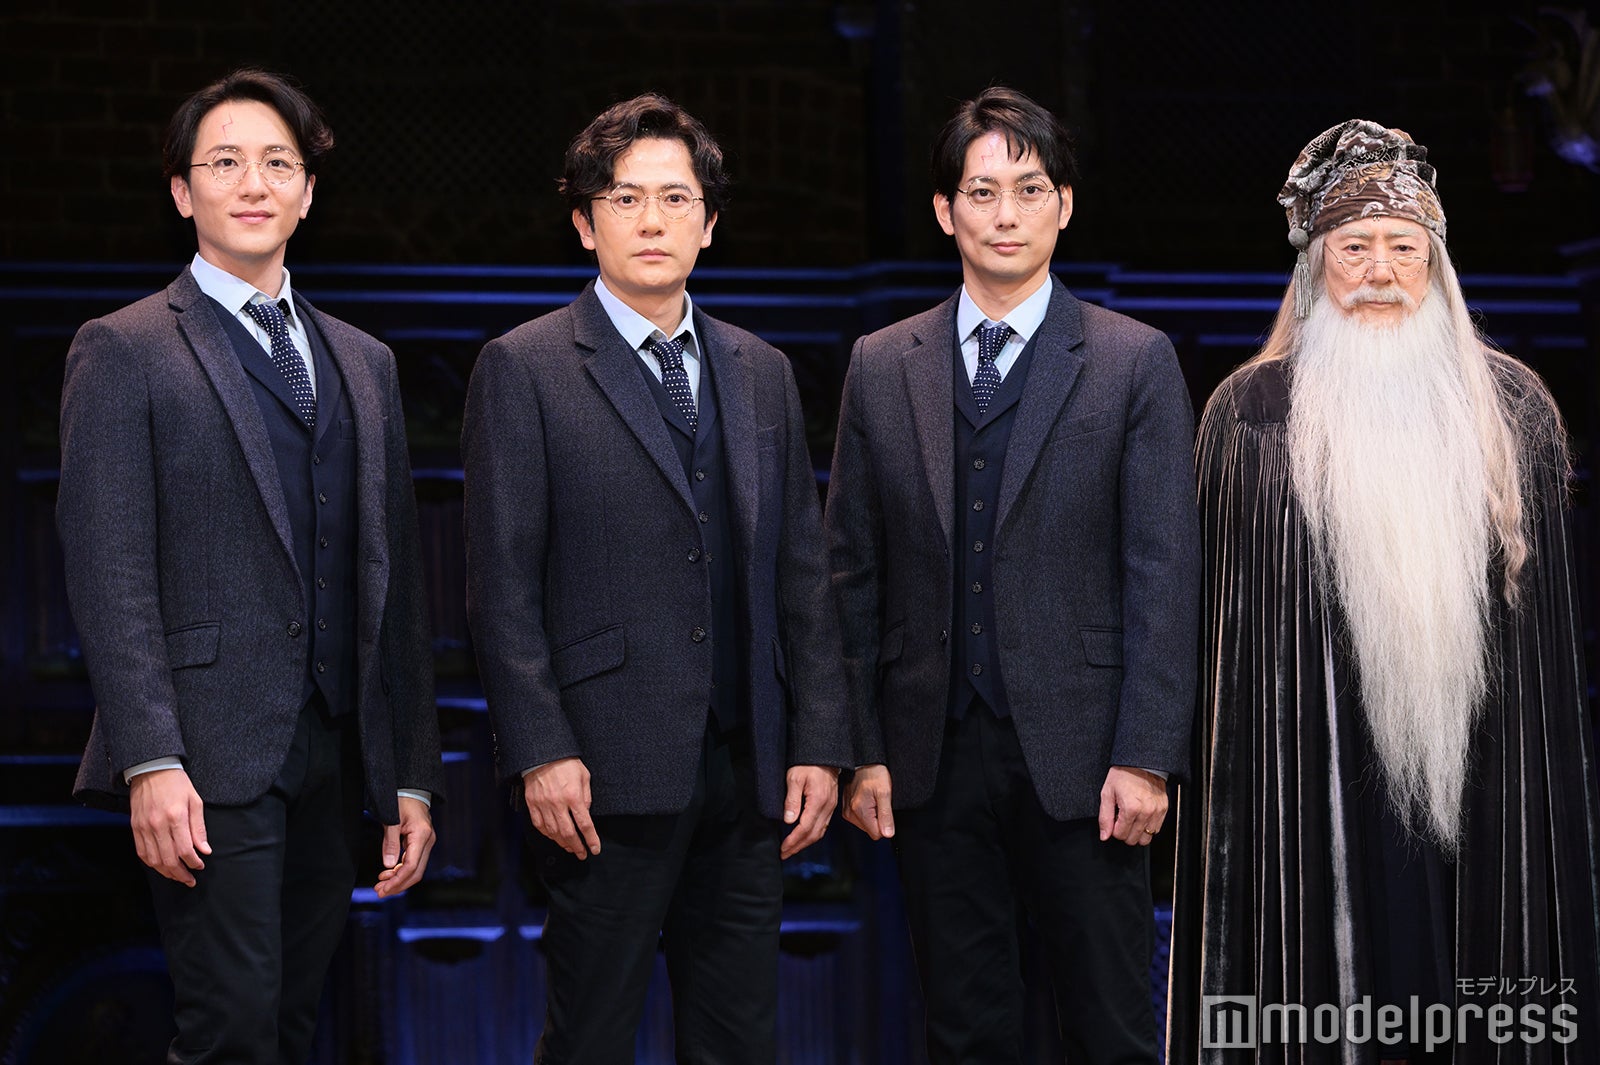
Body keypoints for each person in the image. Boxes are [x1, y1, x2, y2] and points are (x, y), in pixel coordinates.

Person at [1167, 119, 1600, 1064]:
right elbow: (1223, 645)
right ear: (1314, 266)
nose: (1379, 271)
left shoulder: (1515, 410)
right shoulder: (1249, 415)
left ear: (1436, 266)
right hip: (1309, 770)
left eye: (1404, 248)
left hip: (1482, 766)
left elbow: (1546, 655)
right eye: (1353, 247)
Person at [57, 69, 442, 1065]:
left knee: (291, 1026)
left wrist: (410, 774)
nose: (253, 182)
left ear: (308, 192)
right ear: (182, 191)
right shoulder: (126, 348)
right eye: (224, 162)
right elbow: (108, 567)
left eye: (278, 162)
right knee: (228, 1028)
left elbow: (394, 584)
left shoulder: (363, 361)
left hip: (335, 748)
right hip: (204, 749)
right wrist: (149, 758)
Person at [461, 93, 850, 1064]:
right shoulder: (526, 367)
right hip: (600, 769)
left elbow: (802, 576)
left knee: (740, 1039)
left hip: (747, 768)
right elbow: (500, 585)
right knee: (590, 1035)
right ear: (584, 221)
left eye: (675, 199)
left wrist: (819, 740)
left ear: (708, 223)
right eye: (625, 198)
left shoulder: (760, 370)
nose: (651, 220)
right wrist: (541, 749)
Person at [825, 86, 1200, 1063]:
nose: (1005, 213)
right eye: (981, 191)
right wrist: (859, 748)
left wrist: (1147, 753)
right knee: (962, 1030)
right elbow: (851, 572)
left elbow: (1163, 572)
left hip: (1089, 755)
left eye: (1029, 190)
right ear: (944, 210)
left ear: (1063, 205)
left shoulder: (1131, 360)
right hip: (931, 749)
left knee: (1111, 1027)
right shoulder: (882, 363)